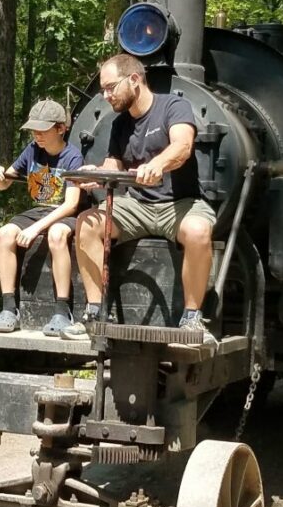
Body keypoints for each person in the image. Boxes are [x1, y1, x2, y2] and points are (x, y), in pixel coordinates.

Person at [62, 54, 217, 345]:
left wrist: (158, 164)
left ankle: (192, 318)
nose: (106, 95)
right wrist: (94, 174)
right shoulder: (120, 124)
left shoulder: (174, 106)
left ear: (134, 79)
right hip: (136, 206)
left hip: (178, 204)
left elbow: (182, 146)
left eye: (110, 87)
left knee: (199, 230)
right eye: (103, 90)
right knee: (87, 222)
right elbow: (114, 166)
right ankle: (94, 313)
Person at [0, 99, 84, 335]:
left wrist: (33, 229)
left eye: (42, 130)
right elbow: (4, 183)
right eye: (34, 130)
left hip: (62, 212)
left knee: (57, 233)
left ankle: (63, 310)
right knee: (5, 233)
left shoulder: (73, 157)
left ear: (60, 129)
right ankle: (9, 308)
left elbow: (71, 205)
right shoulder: (31, 150)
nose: (37, 135)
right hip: (38, 210)